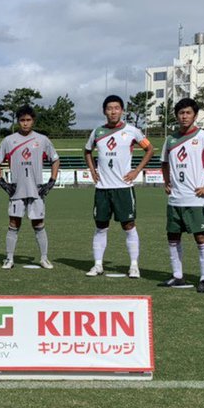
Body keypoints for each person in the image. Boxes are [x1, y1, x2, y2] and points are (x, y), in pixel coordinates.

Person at [157, 98, 204, 292]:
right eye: (181, 113)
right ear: (176, 116)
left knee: (200, 237)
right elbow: (164, 162)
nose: (184, 116)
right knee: (172, 237)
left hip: (195, 199)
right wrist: (166, 181)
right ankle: (177, 275)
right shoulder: (170, 139)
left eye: (188, 113)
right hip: (175, 199)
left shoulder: (203, 137)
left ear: (195, 115)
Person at [83, 95, 154, 277]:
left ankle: (134, 265)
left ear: (122, 110)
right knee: (100, 226)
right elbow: (87, 151)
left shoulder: (132, 131)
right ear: (104, 111)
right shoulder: (97, 132)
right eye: (109, 108)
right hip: (103, 189)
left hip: (123, 187)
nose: (113, 111)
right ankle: (98, 265)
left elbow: (150, 149)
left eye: (116, 108)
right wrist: (92, 170)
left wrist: (137, 171)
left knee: (129, 225)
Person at [0, 106, 60, 269]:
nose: (25, 123)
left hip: (37, 191)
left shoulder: (42, 139)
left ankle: (44, 258)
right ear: (17, 122)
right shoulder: (9, 140)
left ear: (33, 121)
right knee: (14, 223)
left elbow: (55, 159)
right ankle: (9, 258)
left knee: (39, 224)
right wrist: (2, 182)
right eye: (22, 120)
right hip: (17, 191)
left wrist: (51, 181)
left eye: (28, 120)